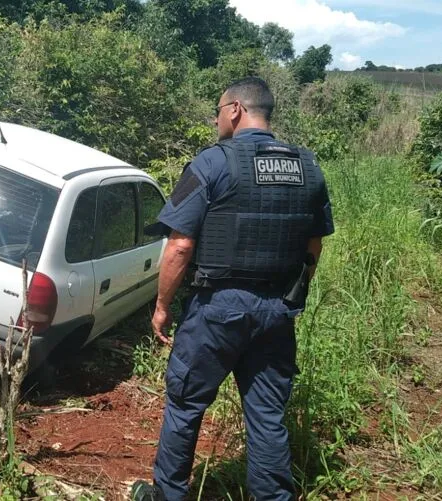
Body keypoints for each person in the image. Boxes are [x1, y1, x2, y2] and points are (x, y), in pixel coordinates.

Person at [132, 77, 334, 501]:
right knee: (266, 416)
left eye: (219, 110)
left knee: (186, 406)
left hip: (218, 309)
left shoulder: (213, 163)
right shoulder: (308, 167)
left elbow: (181, 244)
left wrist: (162, 305)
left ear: (236, 109)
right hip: (278, 311)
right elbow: (313, 244)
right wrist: (294, 290)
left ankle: (168, 495)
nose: (216, 119)